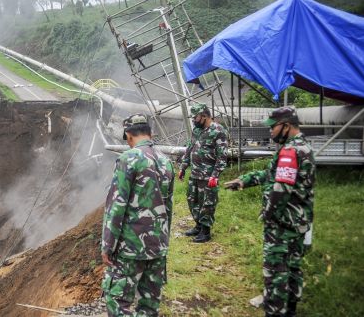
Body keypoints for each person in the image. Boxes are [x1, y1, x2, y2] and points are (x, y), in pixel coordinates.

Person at [224, 106, 315, 317]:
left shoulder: (290, 151)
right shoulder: (302, 147)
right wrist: (244, 180)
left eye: (273, 127)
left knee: (276, 273)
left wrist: (268, 215)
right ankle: (289, 310)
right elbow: (271, 174)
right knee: (293, 269)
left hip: (282, 224)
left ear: (286, 126)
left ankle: (275, 310)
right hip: (297, 221)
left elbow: (281, 188)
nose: (270, 132)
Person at [101, 114, 174, 317]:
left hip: (130, 247)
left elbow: (117, 206)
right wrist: (163, 242)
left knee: (117, 301)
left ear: (128, 135)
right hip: (158, 246)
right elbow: (168, 206)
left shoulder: (128, 159)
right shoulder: (166, 162)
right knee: (149, 305)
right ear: (150, 133)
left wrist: (107, 245)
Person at [178, 103, 228, 243]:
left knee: (207, 203)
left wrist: (215, 175)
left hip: (208, 176)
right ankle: (198, 226)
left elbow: (222, 155)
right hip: (195, 173)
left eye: (195, 117)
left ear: (204, 116)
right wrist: (183, 167)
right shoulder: (197, 131)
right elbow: (189, 148)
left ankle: (205, 232)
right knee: (192, 199)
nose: (194, 120)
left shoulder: (218, 131)